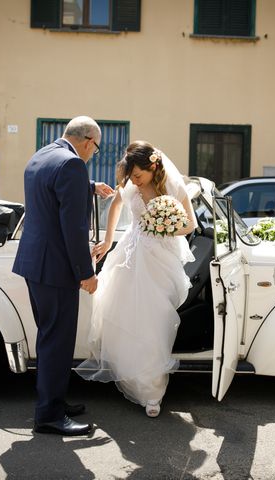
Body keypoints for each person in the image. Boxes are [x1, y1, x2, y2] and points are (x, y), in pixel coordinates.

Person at [76, 140, 196, 418]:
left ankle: (153, 392)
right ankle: (129, 374)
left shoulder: (174, 189)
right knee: (124, 316)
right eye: (131, 177)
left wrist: (165, 226)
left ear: (153, 167)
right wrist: (107, 241)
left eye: (139, 176)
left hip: (159, 261)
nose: (135, 182)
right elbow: (117, 204)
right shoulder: (131, 184)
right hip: (129, 254)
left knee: (152, 323)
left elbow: (190, 224)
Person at [12, 116, 114, 436]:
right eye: (95, 150)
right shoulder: (72, 164)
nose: (92, 155)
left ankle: (52, 401)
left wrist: (89, 187)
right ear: (87, 142)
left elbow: (52, 186)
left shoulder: (42, 155)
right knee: (57, 341)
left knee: (49, 337)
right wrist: (86, 273)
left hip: (34, 264)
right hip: (56, 269)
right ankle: (49, 416)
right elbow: (74, 228)